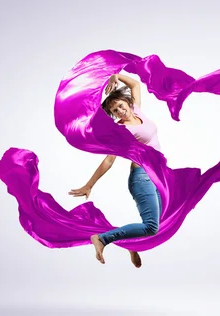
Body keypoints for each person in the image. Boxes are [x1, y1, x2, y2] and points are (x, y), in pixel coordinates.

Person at [68, 73, 162, 268]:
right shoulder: (123, 131)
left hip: (158, 176)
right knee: (152, 227)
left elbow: (135, 84)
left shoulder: (137, 111)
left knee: (161, 221)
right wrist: (89, 185)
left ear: (127, 102)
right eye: (115, 110)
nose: (120, 111)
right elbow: (108, 161)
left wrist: (115, 76)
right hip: (142, 177)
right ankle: (102, 239)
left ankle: (131, 243)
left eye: (120, 105)